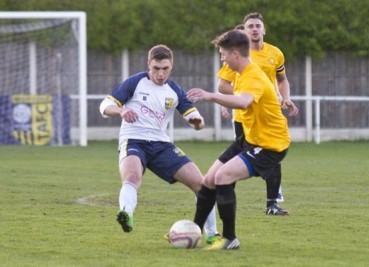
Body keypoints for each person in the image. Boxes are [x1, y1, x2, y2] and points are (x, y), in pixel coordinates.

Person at [99, 44, 219, 243]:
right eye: (156, 68)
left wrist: (198, 123)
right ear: (149, 64)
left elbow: (197, 120)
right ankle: (126, 214)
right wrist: (120, 111)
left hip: (161, 144)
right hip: (134, 139)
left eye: (165, 68)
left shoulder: (175, 91)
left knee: (202, 184)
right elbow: (105, 105)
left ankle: (212, 234)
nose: (161, 74)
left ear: (171, 66)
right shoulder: (135, 82)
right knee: (132, 176)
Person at [187, 29, 291, 250]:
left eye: (223, 54)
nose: (222, 58)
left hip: (270, 144)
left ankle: (230, 239)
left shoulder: (253, 76)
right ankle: (193, 232)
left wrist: (211, 96)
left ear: (235, 53)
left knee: (223, 177)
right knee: (209, 180)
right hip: (249, 139)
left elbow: (243, 102)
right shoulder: (241, 74)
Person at [217, 12, 298, 214]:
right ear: (244, 31)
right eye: (250, 26)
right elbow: (222, 85)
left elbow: (282, 80)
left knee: (273, 154)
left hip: (268, 115)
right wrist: (245, 97)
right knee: (237, 158)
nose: (254, 29)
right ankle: (224, 196)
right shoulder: (237, 55)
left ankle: (272, 204)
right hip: (244, 117)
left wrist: (284, 97)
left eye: (257, 26)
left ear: (264, 30)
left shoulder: (275, 53)